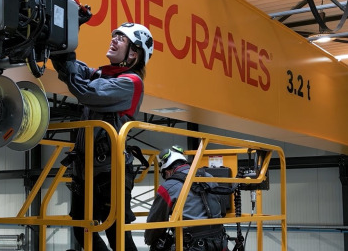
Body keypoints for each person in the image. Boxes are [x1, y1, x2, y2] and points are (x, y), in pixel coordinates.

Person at [51, 22, 154, 251]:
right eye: (114, 35)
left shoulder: (131, 83)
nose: (114, 39)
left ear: (134, 53)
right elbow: (70, 68)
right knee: (81, 229)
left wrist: (71, 67)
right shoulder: (101, 73)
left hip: (110, 172)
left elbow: (87, 92)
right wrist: (62, 40)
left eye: (121, 38)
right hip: (85, 171)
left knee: (117, 235)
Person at [145, 145, 230, 251]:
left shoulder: (168, 187)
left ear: (167, 171)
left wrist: (149, 239)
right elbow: (221, 209)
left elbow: (155, 222)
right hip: (219, 242)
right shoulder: (208, 177)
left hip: (192, 245)